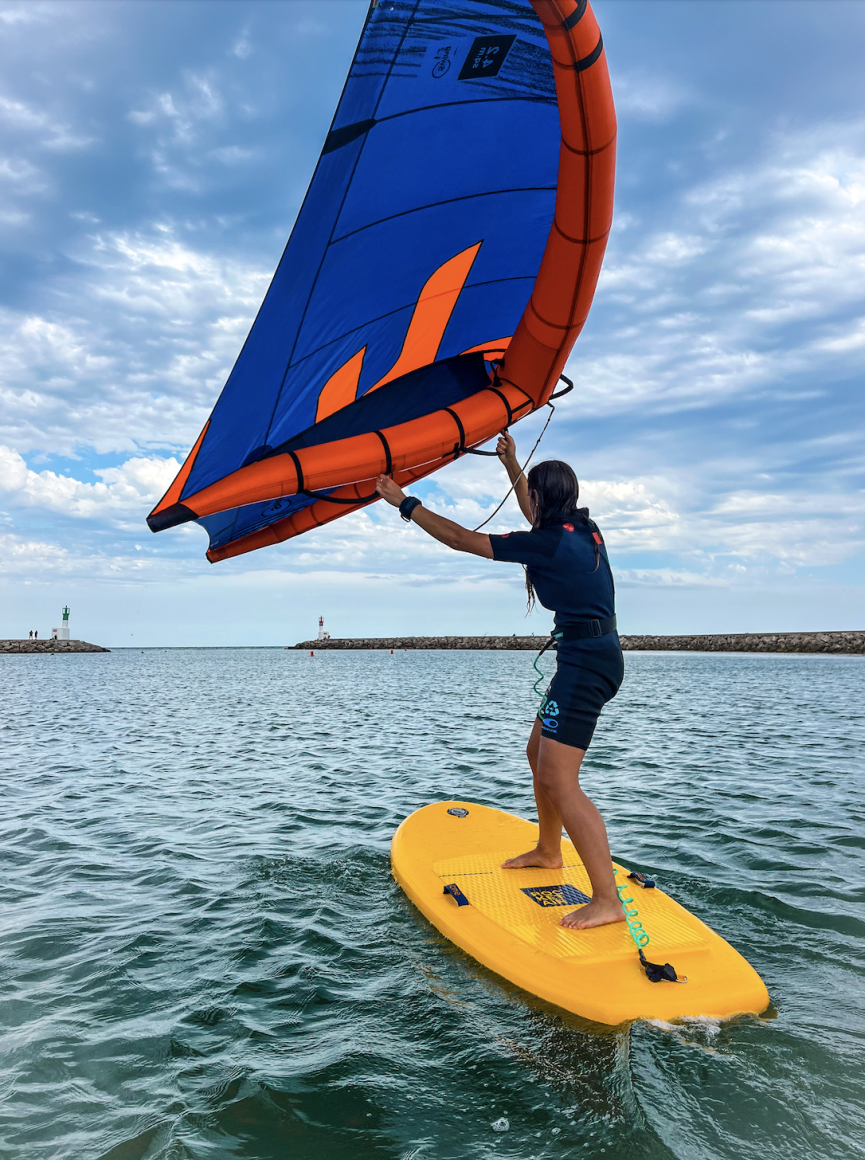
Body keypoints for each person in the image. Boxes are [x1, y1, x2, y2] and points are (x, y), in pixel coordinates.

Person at [375, 431, 625, 931]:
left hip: (587, 666)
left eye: (530, 491)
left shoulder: (553, 543)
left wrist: (405, 503)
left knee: (560, 778)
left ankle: (607, 901)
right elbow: (537, 516)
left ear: (542, 498)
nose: (528, 502)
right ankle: (549, 850)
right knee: (538, 755)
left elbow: (463, 540)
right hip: (586, 656)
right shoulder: (579, 528)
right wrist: (510, 465)